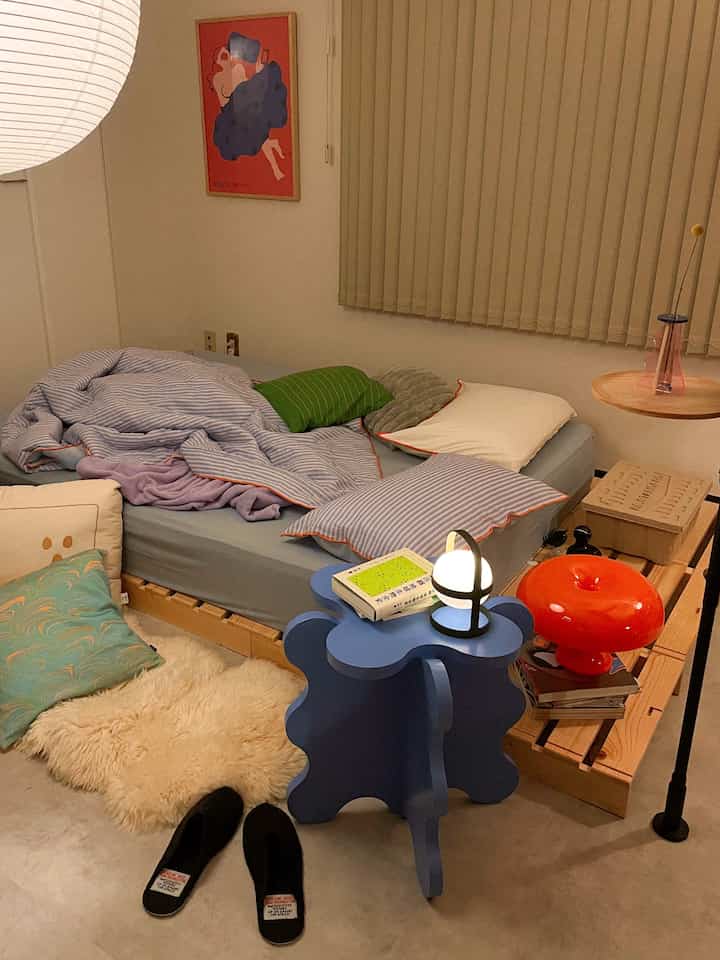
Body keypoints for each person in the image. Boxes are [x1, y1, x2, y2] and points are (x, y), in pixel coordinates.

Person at [209, 32, 288, 181]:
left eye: (230, 55)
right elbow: (233, 98)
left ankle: (275, 168)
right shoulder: (218, 79)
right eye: (226, 56)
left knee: (259, 129)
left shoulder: (237, 72)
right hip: (230, 115)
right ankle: (275, 163)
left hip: (241, 112)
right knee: (257, 135)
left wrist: (258, 75)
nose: (230, 58)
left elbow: (247, 93)